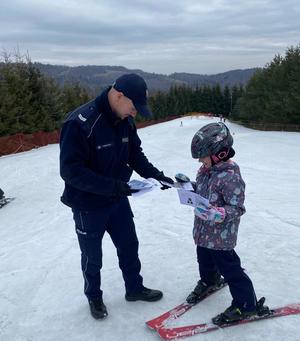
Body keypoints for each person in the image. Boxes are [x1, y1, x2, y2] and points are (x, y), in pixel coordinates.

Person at [60, 73, 174, 319]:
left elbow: (135, 154)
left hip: (117, 200)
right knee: (92, 257)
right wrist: (114, 186)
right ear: (119, 96)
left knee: (129, 245)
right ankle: (94, 297)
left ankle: (134, 288)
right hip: (87, 205)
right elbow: (70, 171)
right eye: (134, 107)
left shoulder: (125, 120)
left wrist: (157, 176)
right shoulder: (80, 123)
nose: (135, 113)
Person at [186, 122, 269, 324]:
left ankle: (246, 304)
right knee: (203, 258)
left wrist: (218, 213)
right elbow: (204, 192)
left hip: (221, 236)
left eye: (202, 157)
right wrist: (189, 187)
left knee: (230, 269)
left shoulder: (231, 177)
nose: (199, 161)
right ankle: (209, 280)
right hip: (203, 231)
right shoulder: (205, 171)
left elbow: (237, 207)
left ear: (219, 154)